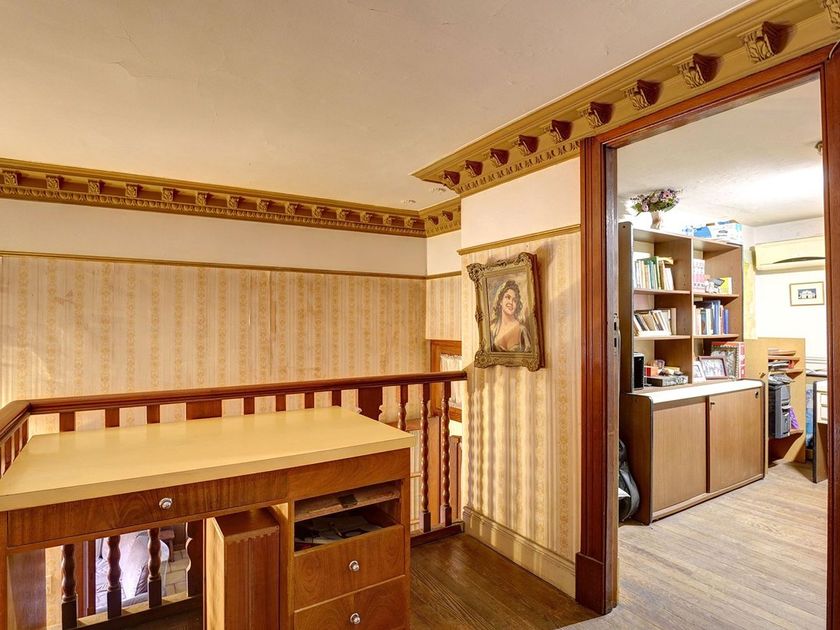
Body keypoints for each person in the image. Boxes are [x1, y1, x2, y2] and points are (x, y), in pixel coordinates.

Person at [489, 279, 532, 352]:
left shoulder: (522, 330)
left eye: (514, 300)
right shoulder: (493, 329)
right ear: (500, 301)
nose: (511, 302)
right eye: (508, 297)